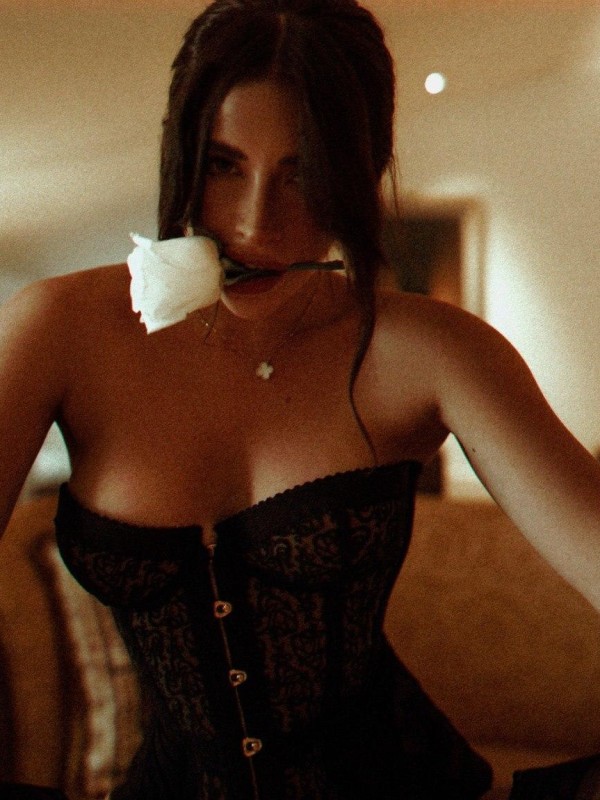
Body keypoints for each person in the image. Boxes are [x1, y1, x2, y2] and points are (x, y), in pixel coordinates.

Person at [0, 0, 599, 798]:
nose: (258, 223)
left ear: (365, 168)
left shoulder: (434, 352)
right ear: (180, 151)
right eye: (224, 166)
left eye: (305, 172)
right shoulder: (59, 330)